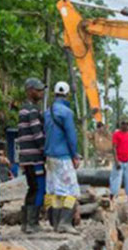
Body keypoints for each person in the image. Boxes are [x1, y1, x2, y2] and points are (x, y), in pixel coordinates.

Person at [43, 81, 81, 234]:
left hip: (50, 156)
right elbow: (71, 137)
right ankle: (65, 223)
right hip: (64, 156)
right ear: (67, 94)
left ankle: (55, 223)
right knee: (71, 190)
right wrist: (75, 155)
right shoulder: (67, 113)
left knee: (55, 190)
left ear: (54, 94)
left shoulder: (47, 112)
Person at [17, 78, 47, 234]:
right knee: (40, 188)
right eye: (38, 90)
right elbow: (38, 134)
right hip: (35, 157)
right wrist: (45, 151)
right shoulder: (33, 111)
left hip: (25, 157)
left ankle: (25, 223)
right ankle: (32, 223)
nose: (41, 92)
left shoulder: (23, 110)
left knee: (32, 188)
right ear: (30, 90)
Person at [110, 119, 128, 206]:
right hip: (120, 161)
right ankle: (112, 198)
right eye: (123, 123)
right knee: (116, 180)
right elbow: (114, 148)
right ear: (120, 125)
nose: (125, 125)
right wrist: (116, 161)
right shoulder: (116, 134)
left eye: (127, 124)